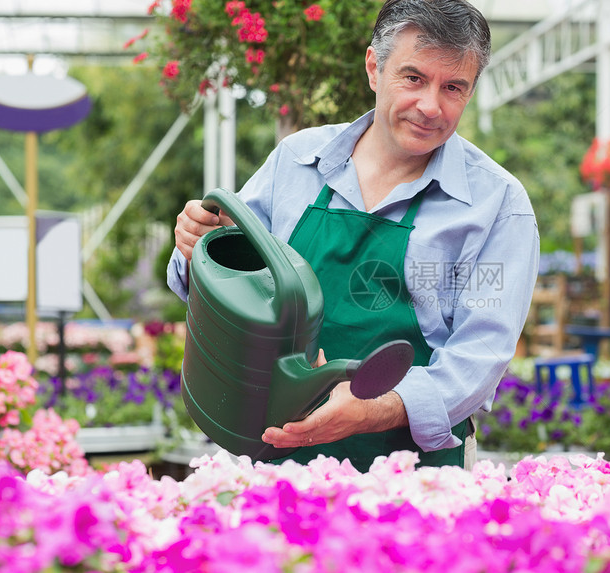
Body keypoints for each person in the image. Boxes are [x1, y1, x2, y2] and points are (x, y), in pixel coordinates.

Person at [167, 0, 539, 472]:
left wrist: (375, 410)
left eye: (453, 87)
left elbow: (480, 355)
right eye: (413, 78)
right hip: (278, 454)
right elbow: (226, 279)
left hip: (417, 475)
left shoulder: (497, 206)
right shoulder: (298, 162)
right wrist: (197, 243)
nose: (431, 106)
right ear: (373, 67)